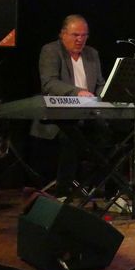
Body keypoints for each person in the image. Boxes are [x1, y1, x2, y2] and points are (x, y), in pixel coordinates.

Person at [30, 14, 107, 198]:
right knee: (70, 135)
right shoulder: (51, 50)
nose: (80, 39)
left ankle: (105, 190)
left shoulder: (92, 54)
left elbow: (99, 84)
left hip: (88, 115)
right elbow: (49, 84)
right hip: (60, 117)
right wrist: (77, 92)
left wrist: (109, 93)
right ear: (63, 34)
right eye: (75, 35)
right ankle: (63, 191)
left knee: (111, 133)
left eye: (84, 35)